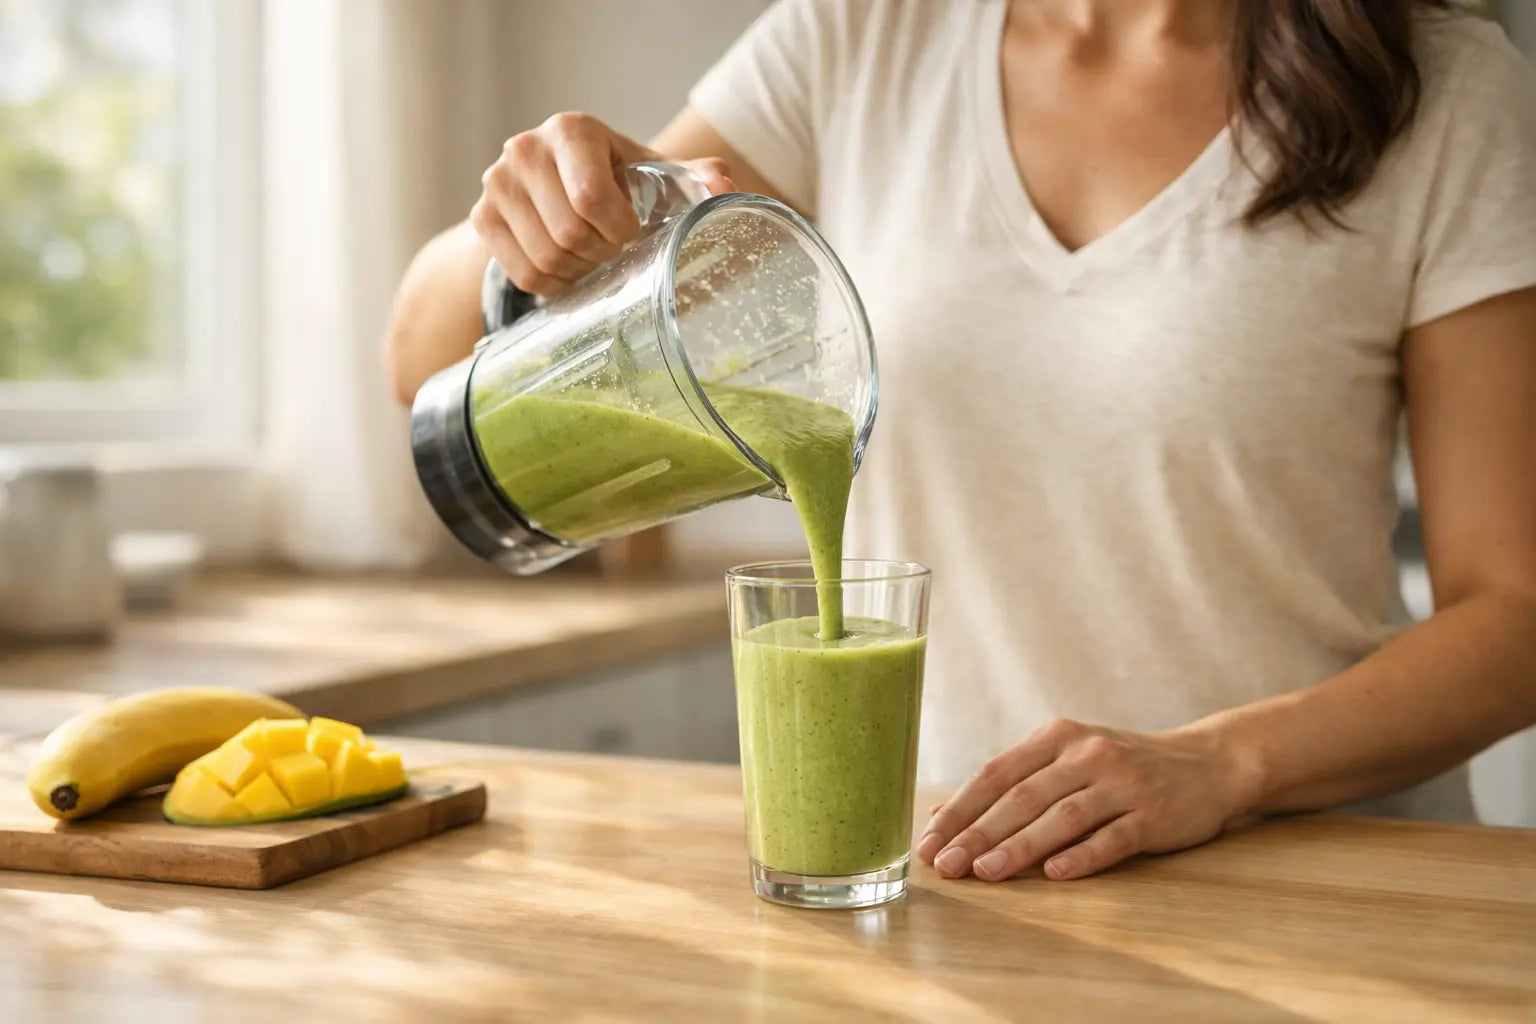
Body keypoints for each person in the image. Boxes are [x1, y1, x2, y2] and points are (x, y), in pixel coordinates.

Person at [384, 0, 1536, 884]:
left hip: (1335, 882)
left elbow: (1516, 611)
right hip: (954, 880)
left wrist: (1221, 762)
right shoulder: (868, 34)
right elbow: (419, 357)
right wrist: (532, 236)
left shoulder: (1444, 90)